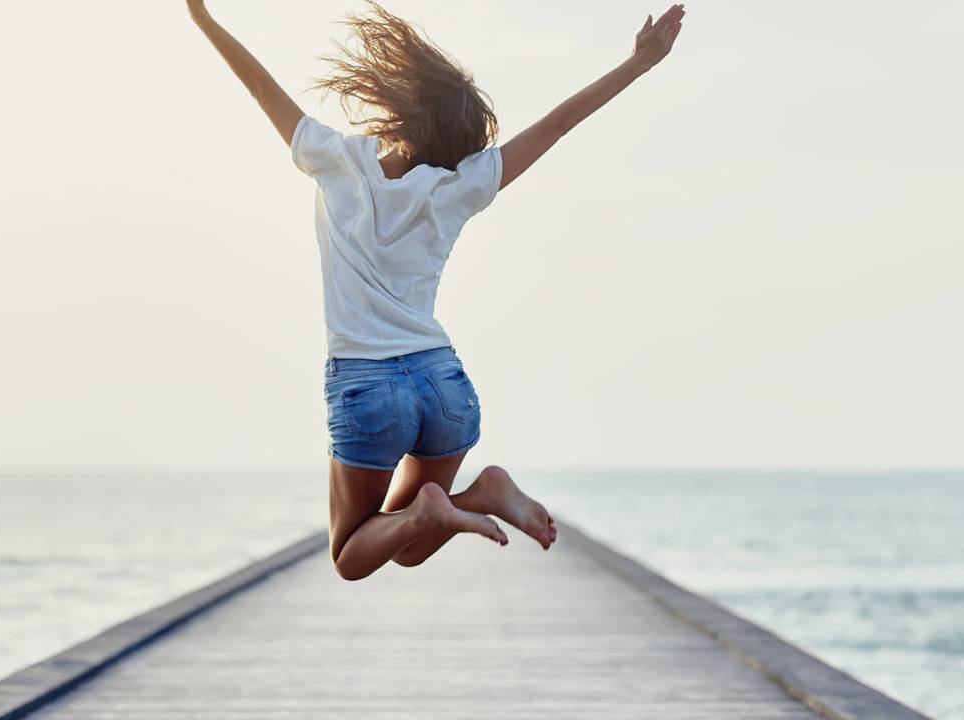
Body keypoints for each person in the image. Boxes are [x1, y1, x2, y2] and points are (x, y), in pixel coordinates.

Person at [188, 1, 685, 581]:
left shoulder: (335, 158)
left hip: (367, 384)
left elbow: (257, 84)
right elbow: (557, 124)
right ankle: (481, 494)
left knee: (351, 555)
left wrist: (203, 19)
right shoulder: (458, 186)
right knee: (407, 543)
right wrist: (638, 65)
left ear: (401, 108)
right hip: (442, 383)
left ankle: (448, 506)